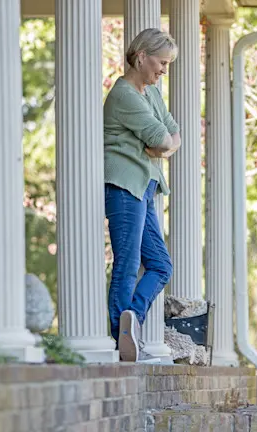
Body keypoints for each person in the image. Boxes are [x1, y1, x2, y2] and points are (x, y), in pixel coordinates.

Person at [104, 29, 181, 362]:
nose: (164, 70)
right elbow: (161, 138)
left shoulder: (150, 94)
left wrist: (165, 146)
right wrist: (164, 145)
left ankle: (130, 324)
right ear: (140, 57)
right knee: (127, 264)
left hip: (145, 186)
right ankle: (123, 341)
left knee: (161, 266)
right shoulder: (124, 95)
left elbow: (172, 133)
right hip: (124, 186)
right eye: (161, 62)